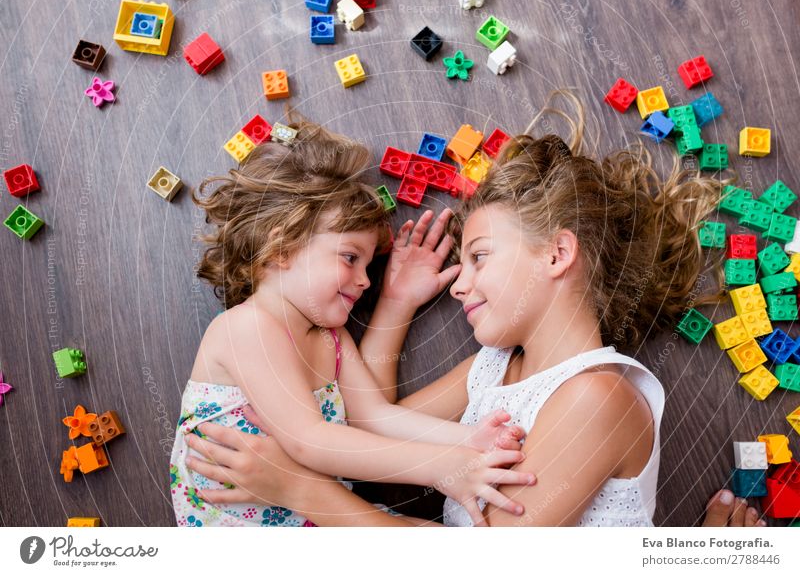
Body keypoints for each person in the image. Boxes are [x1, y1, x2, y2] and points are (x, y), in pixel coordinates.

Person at [186, 91, 766, 527]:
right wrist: (395, 302)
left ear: (558, 253)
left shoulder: (597, 399)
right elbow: (368, 427)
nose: (459, 284)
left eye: (480, 256)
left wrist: (301, 490)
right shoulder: (492, 368)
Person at [170, 116, 536, 528]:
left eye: (366, 263)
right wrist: (442, 466)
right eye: (349, 257)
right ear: (282, 246)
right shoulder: (245, 328)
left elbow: (376, 416)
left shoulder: (331, 336)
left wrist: (468, 440)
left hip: (311, 515)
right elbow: (311, 440)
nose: (364, 280)